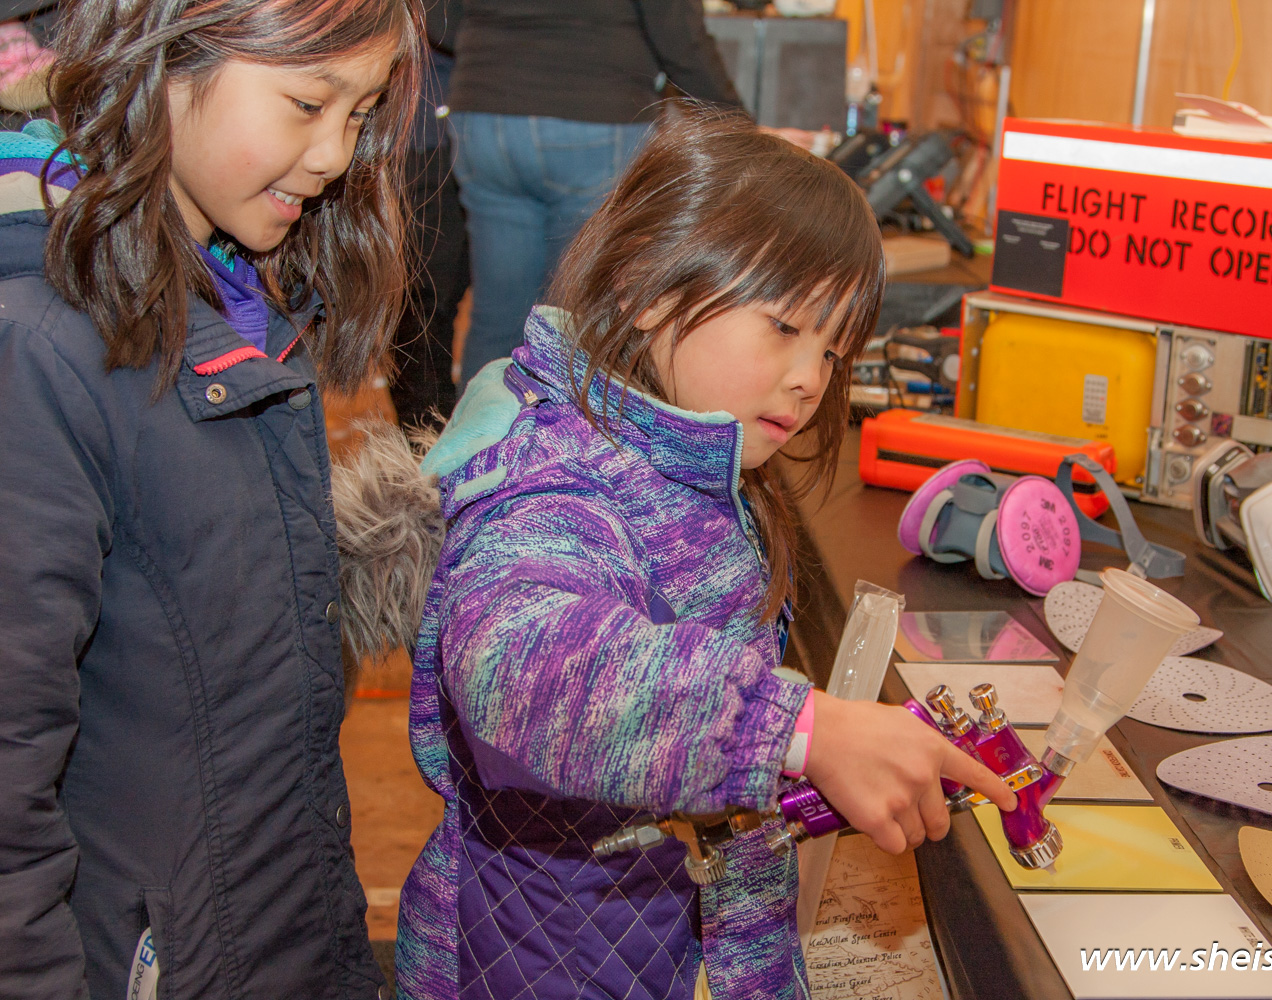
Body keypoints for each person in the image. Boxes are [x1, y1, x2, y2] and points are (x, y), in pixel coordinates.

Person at [394, 101, 1017, 1000]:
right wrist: (794, 730)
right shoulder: (549, 476)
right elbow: (517, 662)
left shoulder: (689, 451)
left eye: (834, 350)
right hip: (549, 961)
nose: (810, 378)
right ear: (648, 289)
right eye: (785, 327)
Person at [0, 0, 424, 996]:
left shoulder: (239, 292)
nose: (334, 156)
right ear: (164, 60)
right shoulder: (41, 351)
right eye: (307, 103)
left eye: (360, 114)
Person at [446, 0, 745, 389]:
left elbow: (437, 15)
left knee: (497, 313)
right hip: (594, 112)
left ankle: (481, 427)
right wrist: (738, 127)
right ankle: (566, 430)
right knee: (580, 319)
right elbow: (677, 33)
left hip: (485, 111)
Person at [385, 0, 468, 430]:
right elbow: (443, 25)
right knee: (424, 303)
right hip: (421, 136)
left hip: (453, 134)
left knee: (432, 302)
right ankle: (424, 436)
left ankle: (435, 430)